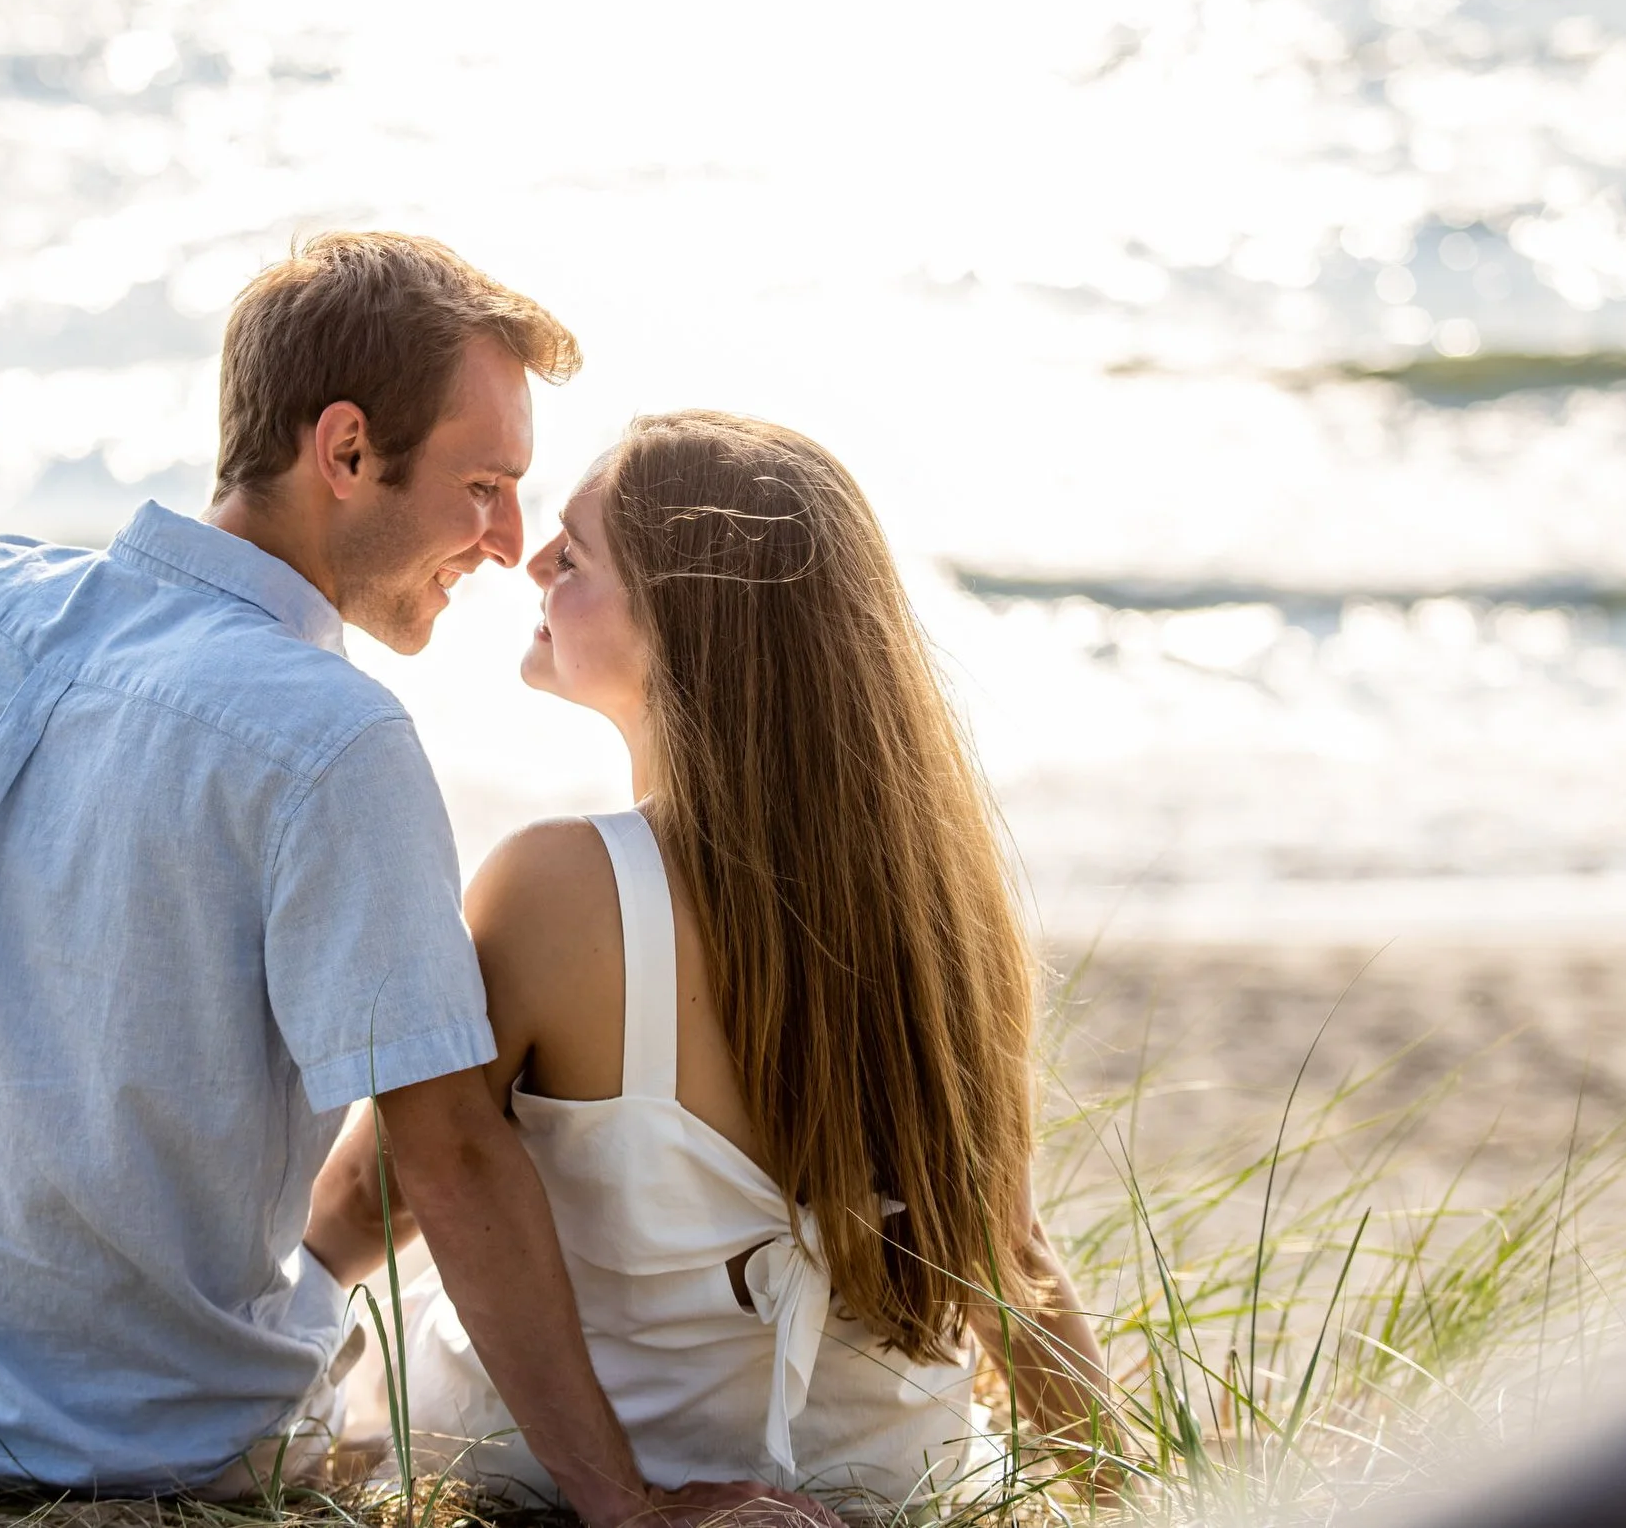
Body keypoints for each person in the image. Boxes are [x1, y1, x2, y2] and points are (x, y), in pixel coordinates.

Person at [0, 234, 828, 1526]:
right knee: (431, 1353)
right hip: (134, 1438)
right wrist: (629, 1509)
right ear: (343, 451)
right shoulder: (333, 737)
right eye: (484, 483)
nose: (505, 542)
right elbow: (448, 1149)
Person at [312, 411, 1119, 1514]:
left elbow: (377, 1189)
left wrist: (247, 1332)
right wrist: (1125, 1480)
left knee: (375, 1375)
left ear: (685, 626)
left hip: (573, 1475)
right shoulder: (942, 911)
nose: (532, 562)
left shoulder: (556, 889)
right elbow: (1007, 1247)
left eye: (577, 554)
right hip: (885, 1477)